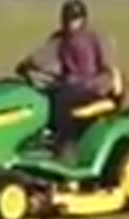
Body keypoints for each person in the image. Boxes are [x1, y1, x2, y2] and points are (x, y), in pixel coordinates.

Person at [16, 0, 122, 157]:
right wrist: (27, 63)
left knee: (62, 100)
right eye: (67, 20)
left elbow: (109, 68)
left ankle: (66, 145)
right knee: (42, 95)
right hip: (69, 86)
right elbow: (43, 55)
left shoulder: (95, 38)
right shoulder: (59, 39)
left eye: (74, 19)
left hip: (93, 87)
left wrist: (106, 86)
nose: (71, 24)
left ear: (83, 19)